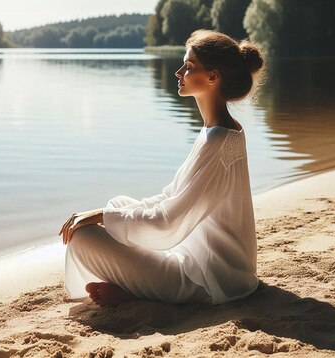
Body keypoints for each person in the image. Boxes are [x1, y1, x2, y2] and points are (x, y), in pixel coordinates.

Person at [59, 29, 266, 307]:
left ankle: (133, 291)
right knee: (118, 204)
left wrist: (100, 216)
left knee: (83, 237)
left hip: (207, 281)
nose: (178, 72)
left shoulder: (217, 139)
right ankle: (132, 286)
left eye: (189, 67)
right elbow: (172, 196)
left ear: (213, 77)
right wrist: (107, 213)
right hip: (219, 268)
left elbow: (168, 221)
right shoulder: (220, 131)